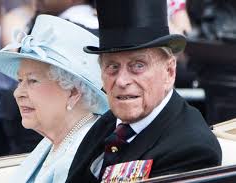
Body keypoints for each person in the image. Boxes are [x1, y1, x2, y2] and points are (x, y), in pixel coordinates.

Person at [66, 0, 222, 182]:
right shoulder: (108, 122)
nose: (122, 81)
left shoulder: (192, 149)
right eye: (112, 66)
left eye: (138, 65)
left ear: (169, 72)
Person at [0, 14, 108, 182]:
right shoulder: (55, 142)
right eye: (20, 81)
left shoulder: (86, 153)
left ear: (72, 92)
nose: (17, 93)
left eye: (32, 80)